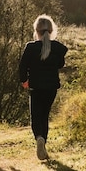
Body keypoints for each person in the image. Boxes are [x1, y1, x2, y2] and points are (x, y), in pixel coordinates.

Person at [18, 14, 68, 160]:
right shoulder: (58, 48)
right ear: (51, 30)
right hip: (51, 87)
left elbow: (22, 67)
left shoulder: (31, 47)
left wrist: (24, 80)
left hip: (35, 86)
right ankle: (44, 143)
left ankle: (39, 138)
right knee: (45, 116)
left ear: (36, 31)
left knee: (36, 115)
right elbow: (60, 65)